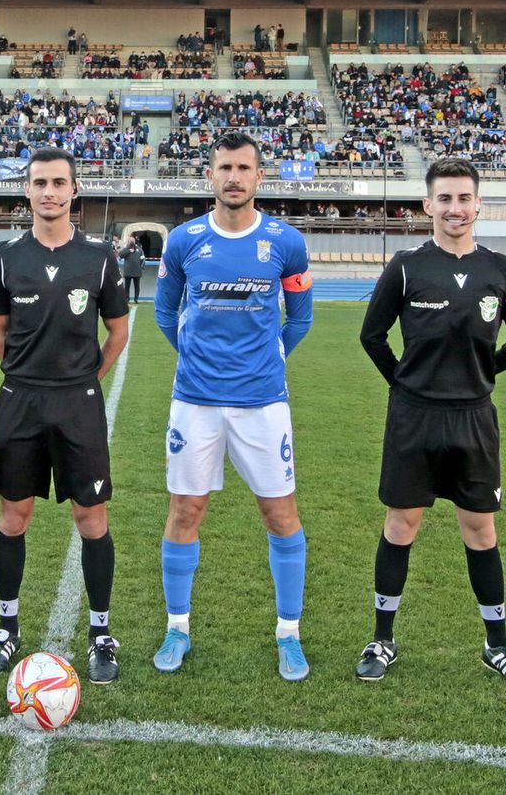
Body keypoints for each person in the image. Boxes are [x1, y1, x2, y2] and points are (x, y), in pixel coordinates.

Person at [357, 156, 506, 691]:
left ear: (478, 204)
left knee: (480, 531)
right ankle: (382, 639)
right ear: (427, 205)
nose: (454, 208)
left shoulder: (502, 270)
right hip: (413, 417)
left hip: (473, 418)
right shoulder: (407, 266)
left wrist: (481, 373)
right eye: (445, 198)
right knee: (400, 526)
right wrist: (405, 382)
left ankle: (498, 646)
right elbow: (372, 337)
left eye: (464, 198)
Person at [152, 131, 316, 682]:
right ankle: (178, 627)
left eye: (244, 168)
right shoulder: (183, 241)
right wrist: (199, 361)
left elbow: (302, 318)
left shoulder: (287, 243)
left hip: (263, 404)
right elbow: (163, 314)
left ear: (258, 176)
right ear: (210, 176)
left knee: (280, 515)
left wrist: (265, 363)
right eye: (224, 167)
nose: (234, 177)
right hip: (194, 402)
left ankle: (288, 635)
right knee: (184, 512)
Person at [0, 147, 130, 684]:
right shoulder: (5, 256)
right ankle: (6, 626)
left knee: (92, 518)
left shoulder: (100, 257)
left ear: (74, 189)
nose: (49, 192)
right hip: (20, 400)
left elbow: (118, 331)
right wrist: (23, 375)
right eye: (39, 182)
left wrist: (86, 380)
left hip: (77, 404)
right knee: (13, 516)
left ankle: (101, 634)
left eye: (58, 182)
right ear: (27, 190)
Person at [117, 235, 145, 304]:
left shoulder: (139, 249)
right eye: (130, 241)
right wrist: (129, 251)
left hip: (137, 271)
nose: (132, 242)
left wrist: (141, 266)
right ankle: (127, 299)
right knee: (127, 287)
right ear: (128, 242)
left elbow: (143, 259)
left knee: (137, 286)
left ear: (135, 241)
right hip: (128, 271)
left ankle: (136, 299)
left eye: (133, 241)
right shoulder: (126, 249)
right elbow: (120, 255)